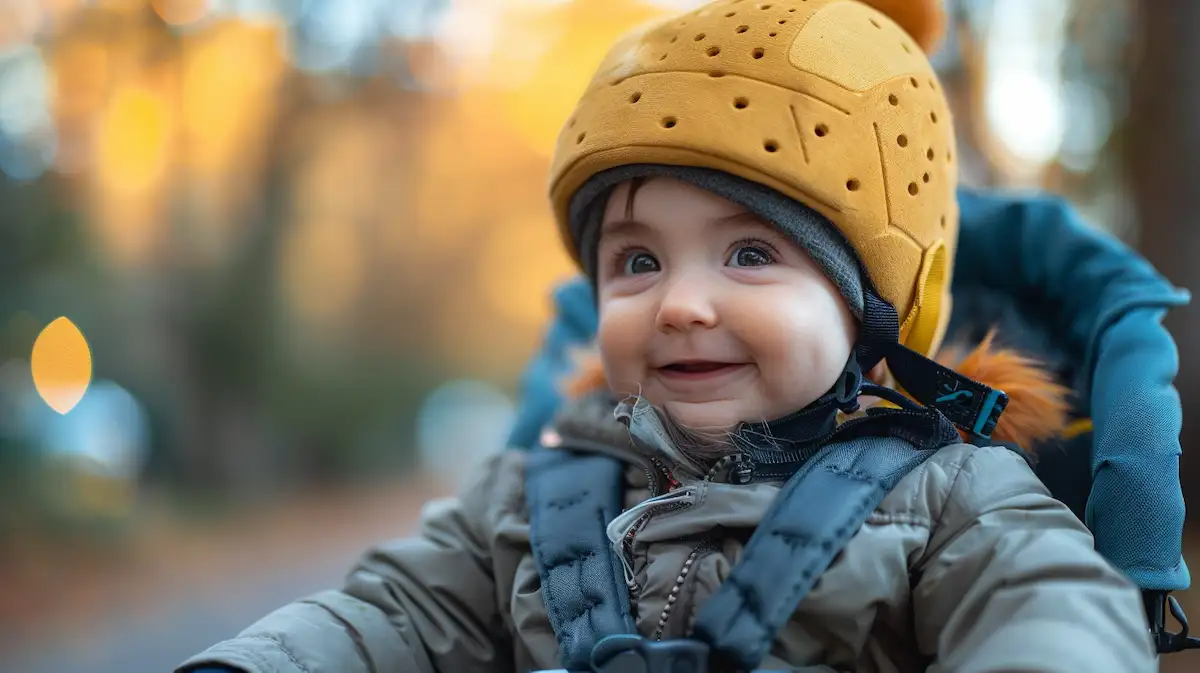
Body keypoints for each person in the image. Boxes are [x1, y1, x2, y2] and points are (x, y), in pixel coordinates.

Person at [178, 0, 1158, 671]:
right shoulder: (531, 489)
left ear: (870, 318)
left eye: (748, 256)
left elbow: (1052, 610)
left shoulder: (950, 498)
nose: (681, 303)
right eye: (638, 262)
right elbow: (391, 613)